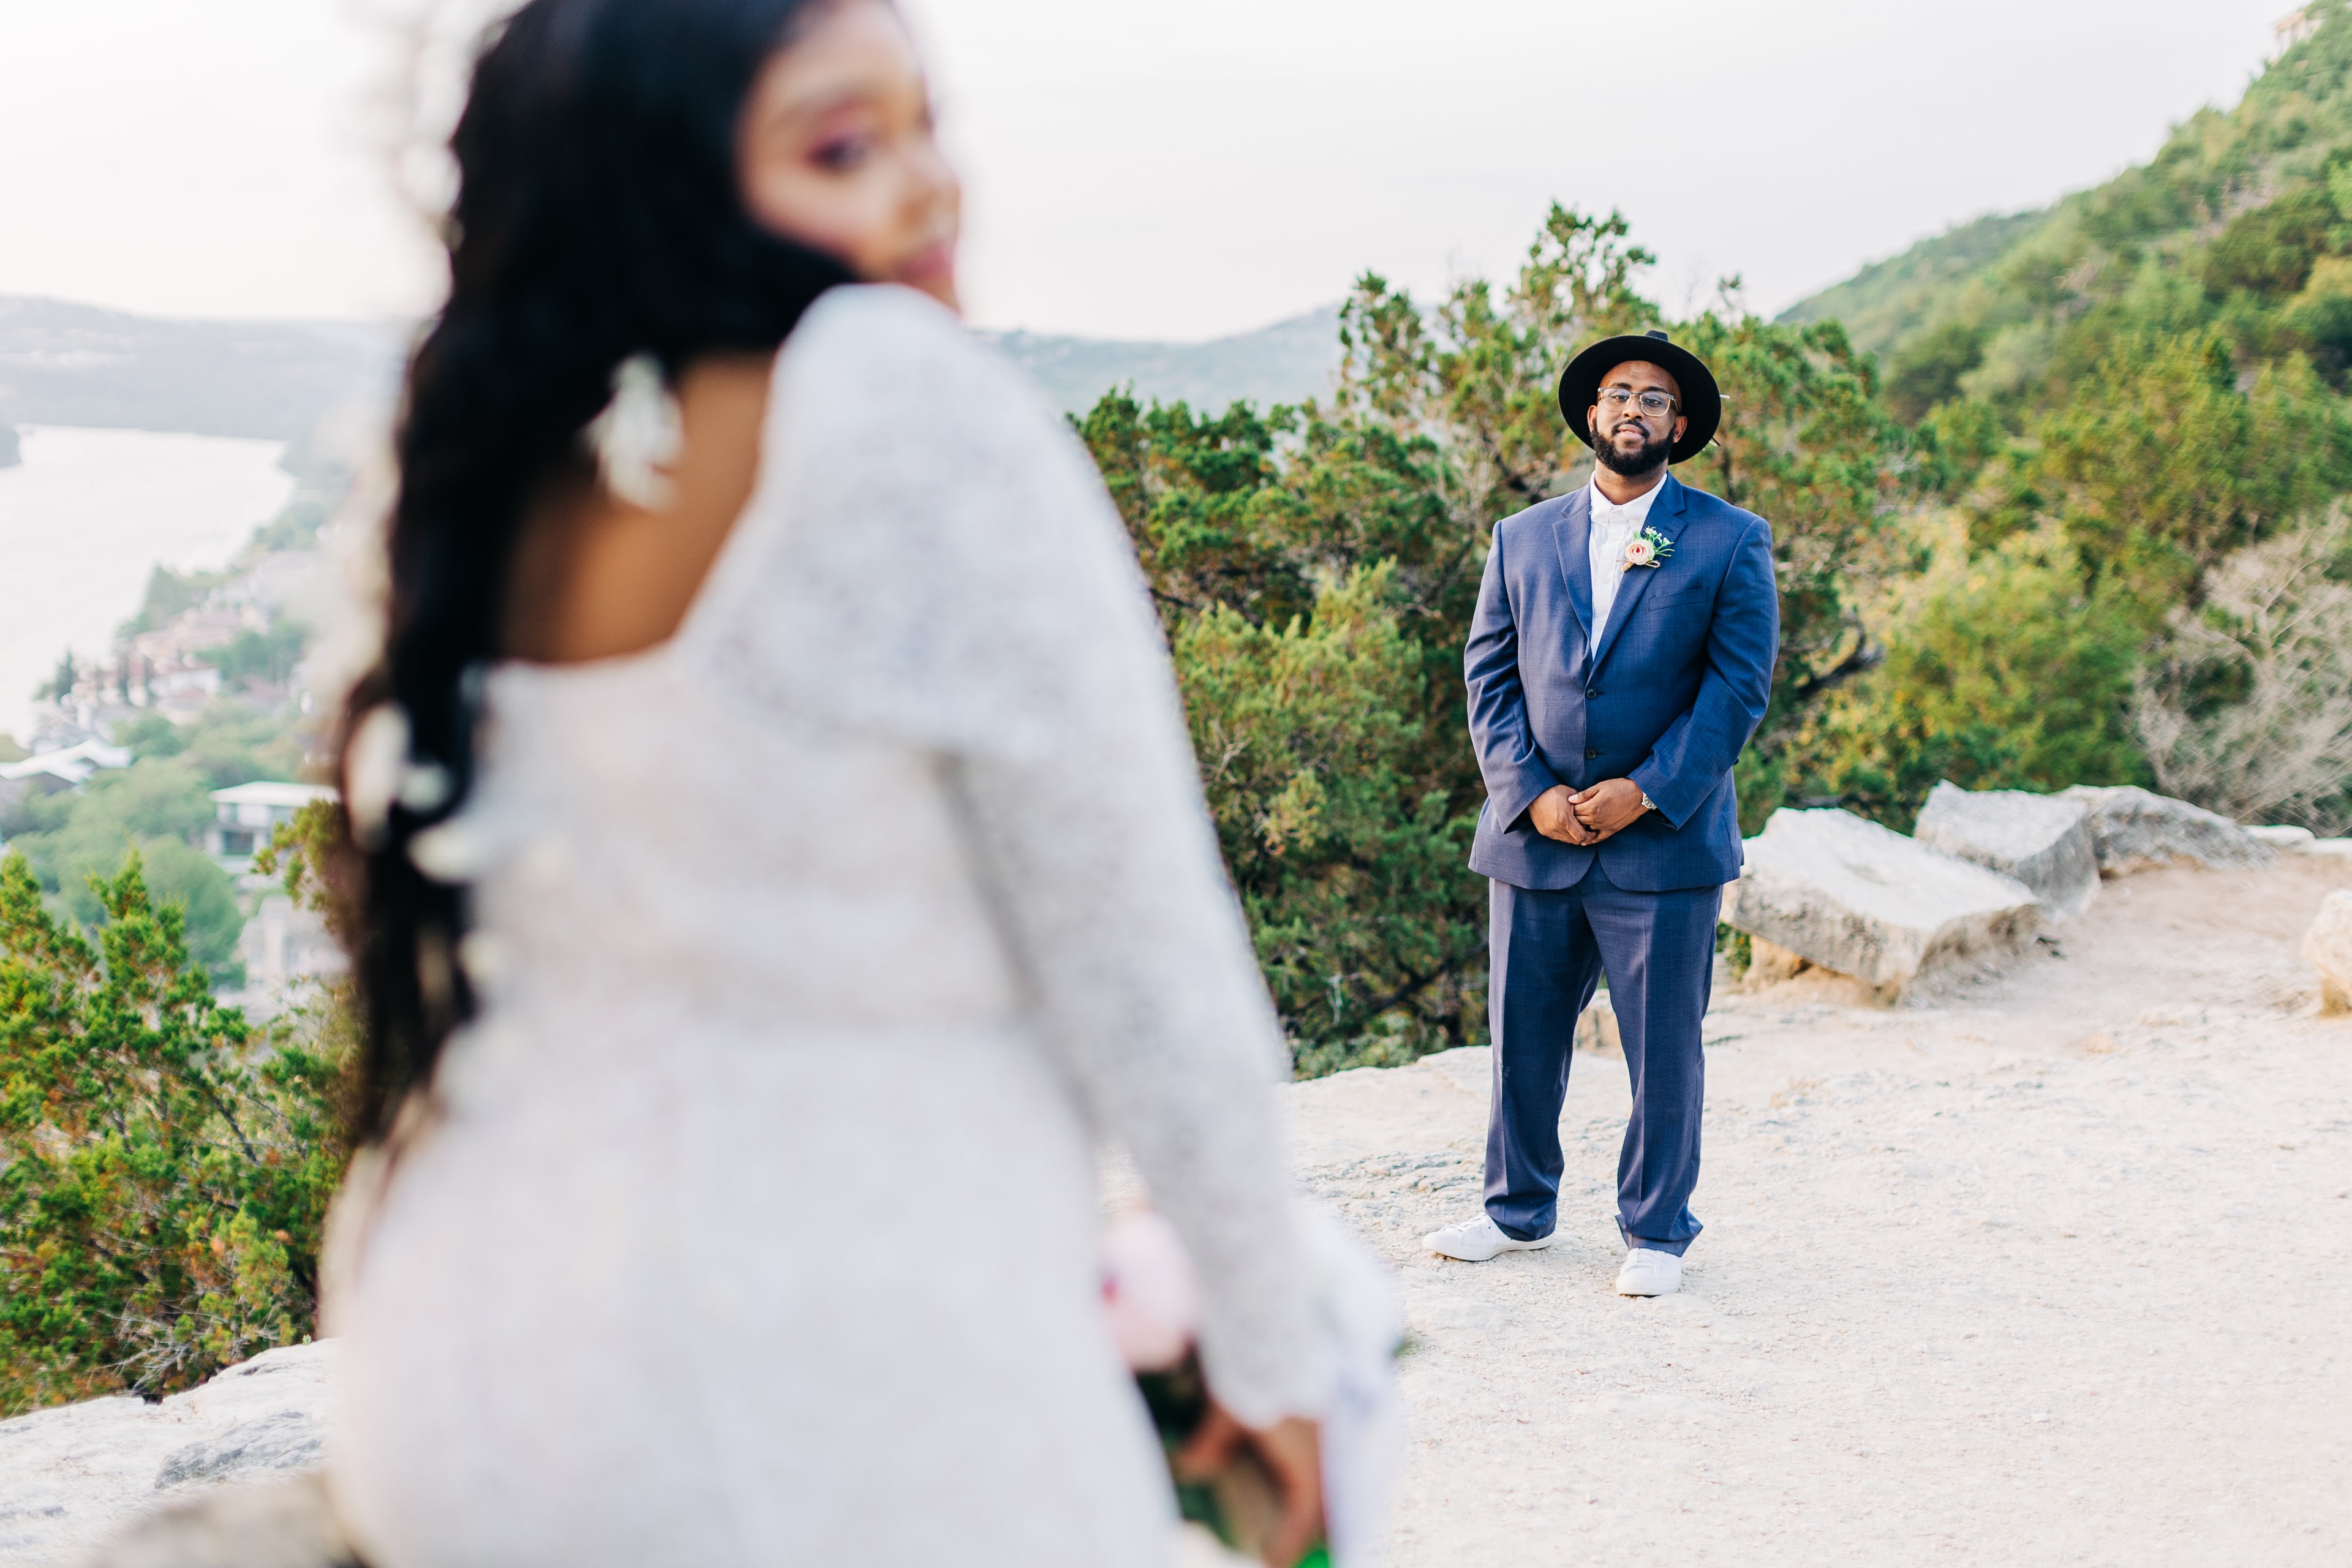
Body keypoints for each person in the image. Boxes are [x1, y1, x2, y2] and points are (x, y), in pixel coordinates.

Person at [319, 2, 1327, 1562]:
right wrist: (1275, 1361)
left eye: (931, 125)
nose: (932, 187)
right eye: (845, 145)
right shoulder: (895, 400)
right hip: (824, 1384)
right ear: (655, 180)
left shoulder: (483, 475)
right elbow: (1151, 969)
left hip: (449, 1374)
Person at [1423, 330, 1779, 1297]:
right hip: (1534, 834)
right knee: (1522, 1033)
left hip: (1662, 840)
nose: (1634, 409)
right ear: (1592, 414)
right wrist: (1527, 792)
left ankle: (1657, 1231)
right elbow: (1487, 674)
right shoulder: (1522, 536)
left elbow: (1737, 692)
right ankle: (1516, 1210)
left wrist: (1646, 790)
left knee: (1664, 1044)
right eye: (1619, 394)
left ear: (1680, 425)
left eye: (1655, 399)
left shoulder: (1729, 539)